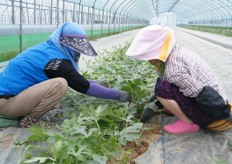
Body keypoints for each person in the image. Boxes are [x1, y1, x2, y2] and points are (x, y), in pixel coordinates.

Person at [0, 22, 131, 128]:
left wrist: (96, 83)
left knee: (61, 83)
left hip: (10, 95)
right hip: (6, 103)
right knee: (60, 85)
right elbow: (83, 86)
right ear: (65, 44)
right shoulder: (57, 62)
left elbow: (76, 79)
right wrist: (118, 95)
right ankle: (29, 120)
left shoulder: (48, 49)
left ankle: (28, 110)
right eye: (75, 49)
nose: (77, 53)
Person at [126, 25, 232, 134]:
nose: (146, 59)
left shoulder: (174, 69)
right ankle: (178, 110)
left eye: (147, 54)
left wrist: (225, 114)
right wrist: (157, 104)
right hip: (217, 99)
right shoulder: (175, 52)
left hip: (212, 114)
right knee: (163, 87)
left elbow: (200, 93)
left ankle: (188, 122)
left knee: (161, 89)